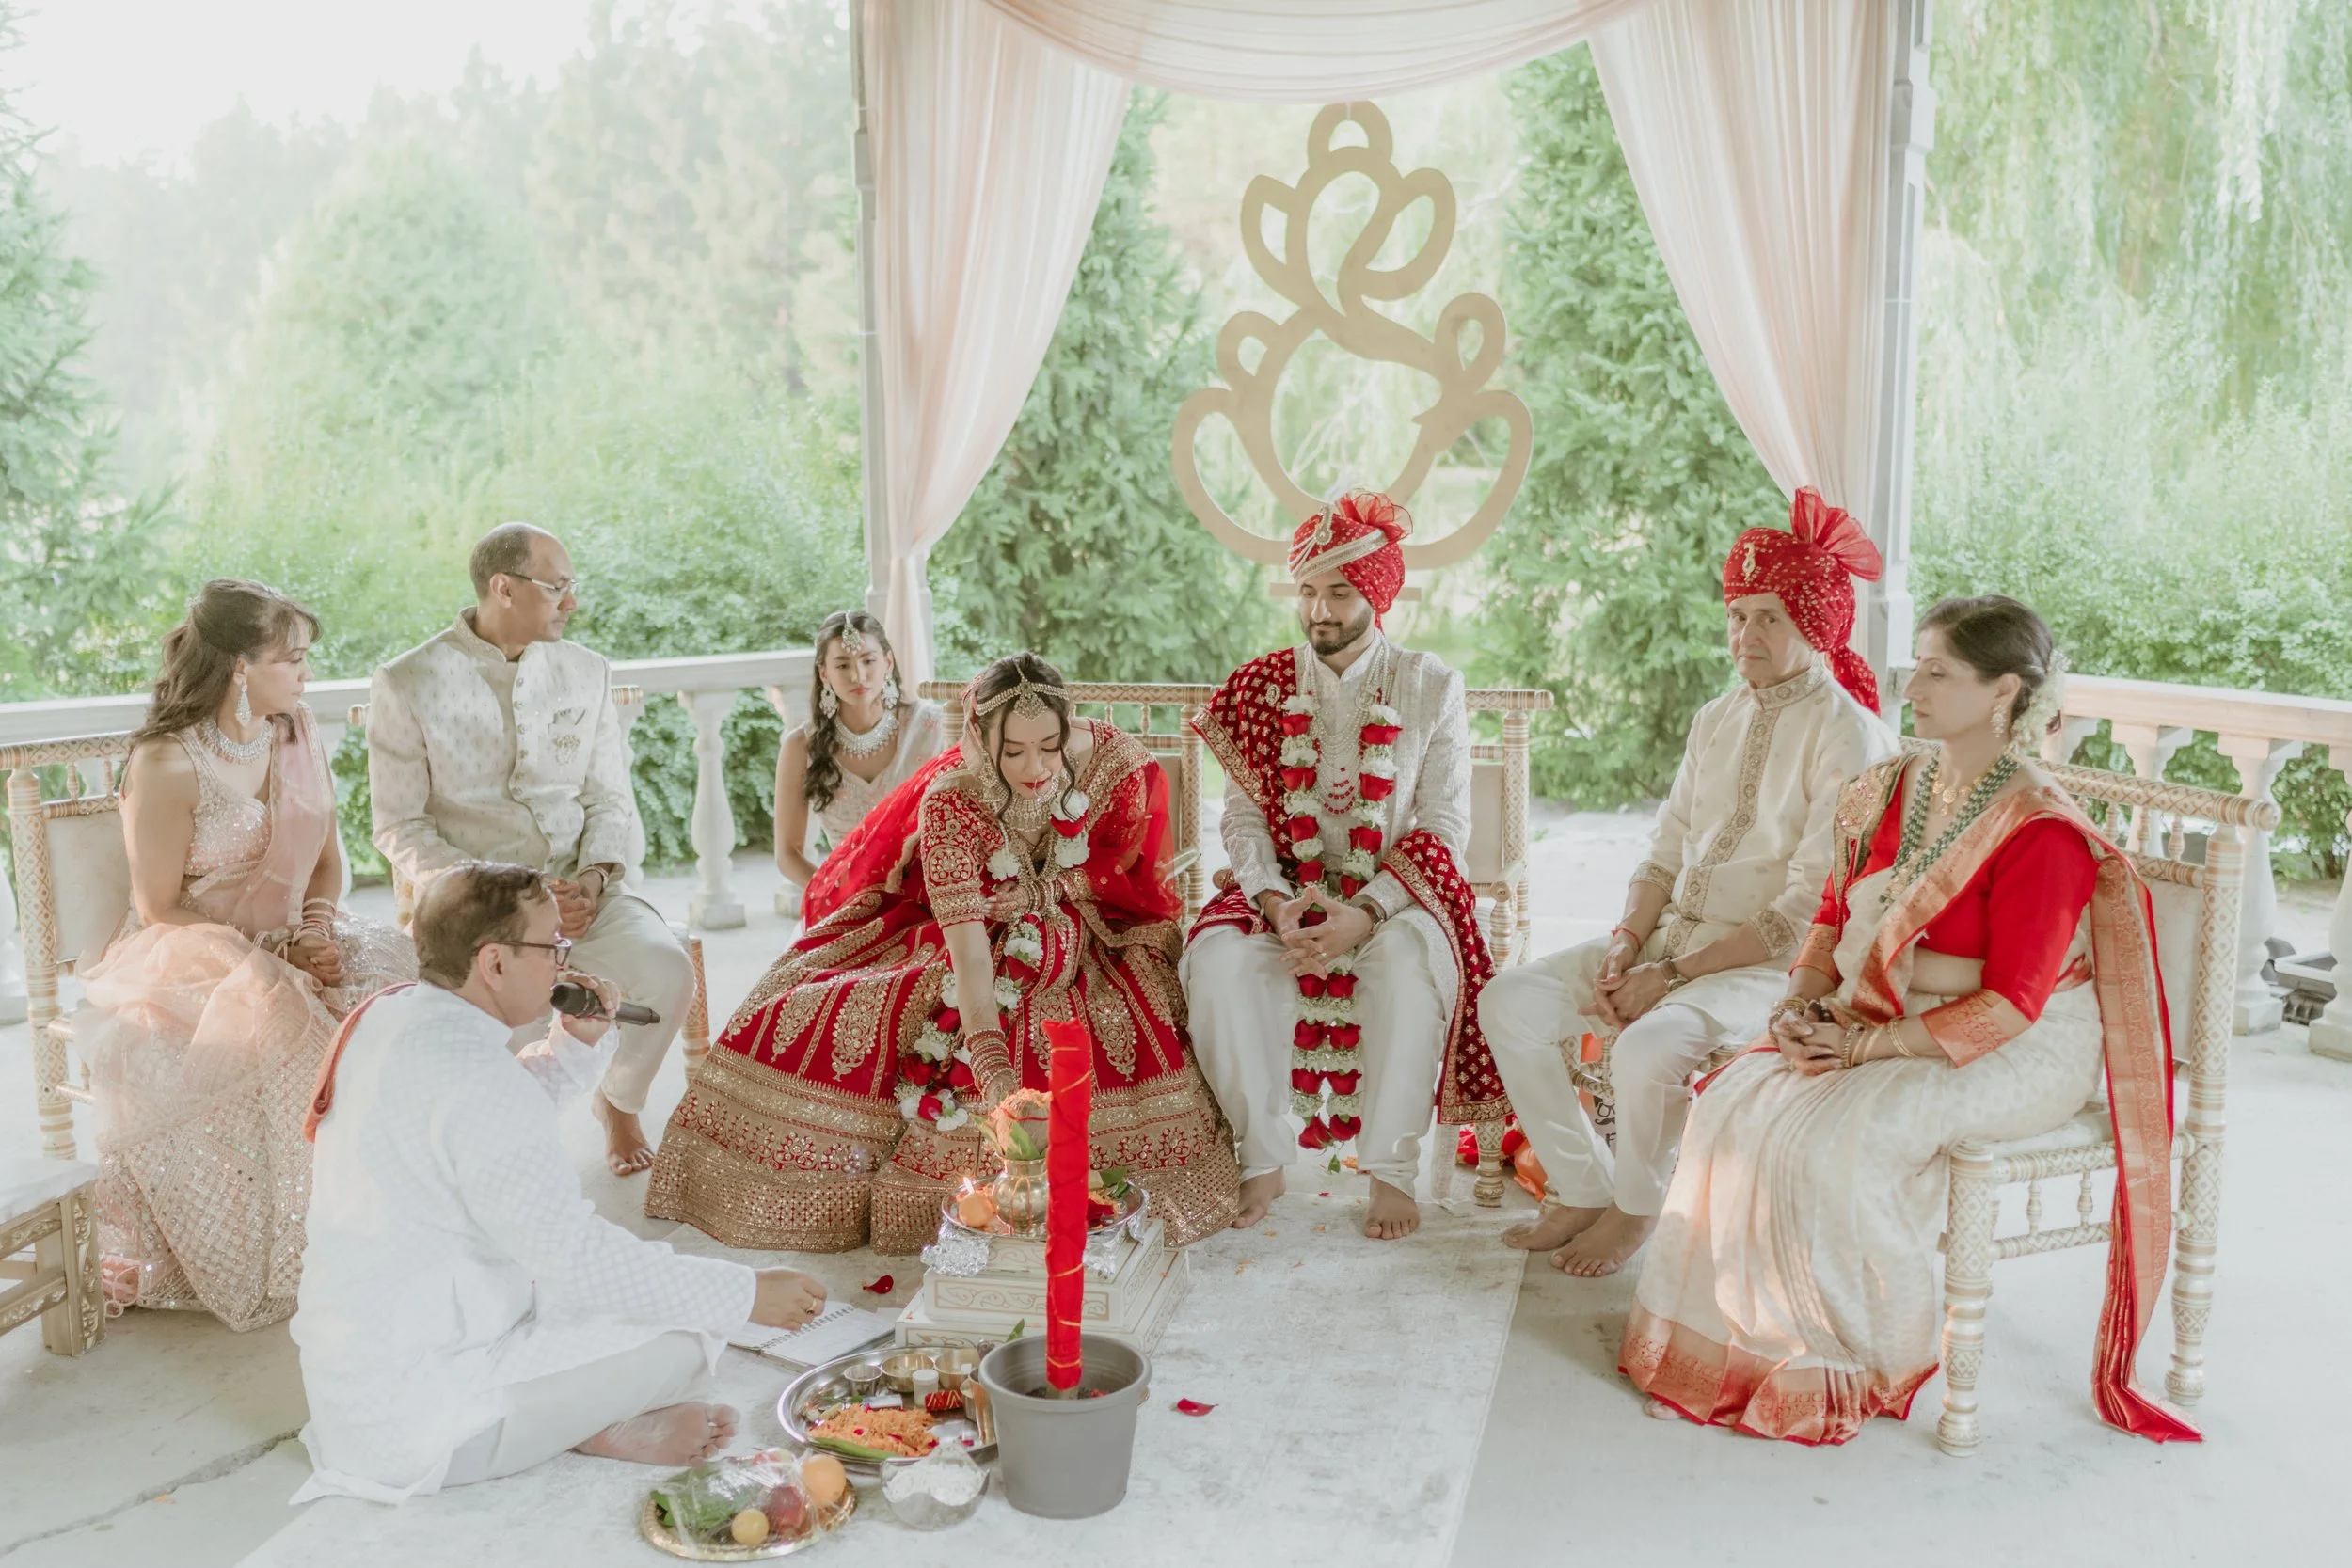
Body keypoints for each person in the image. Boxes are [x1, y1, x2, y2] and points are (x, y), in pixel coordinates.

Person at [1622, 596, 2197, 1448]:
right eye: (1917, 666)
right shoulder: (1894, 785)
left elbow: (2011, 1003)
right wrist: (1799, 1005)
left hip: (2019, 1043)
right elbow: (1830, 913)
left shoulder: (2040, 830)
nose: (1912, 686)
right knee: (1732, 1099)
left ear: (2004, 691)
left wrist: (1859, 1043)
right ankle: (1730, 1344)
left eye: (1937, 672)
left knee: (1840, 1139)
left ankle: (1864, 1353)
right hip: (1888, 1006)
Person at [647, 652, 1241, 1254]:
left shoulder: (1117, 763)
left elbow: (1124, 868)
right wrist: (995, 1071)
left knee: (1114, 1012)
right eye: (1014, 751)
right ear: (981, 739)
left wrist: (1046, 893)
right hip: (966, 927)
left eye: (1049, 746)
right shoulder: (953, 801)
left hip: (1093, 925)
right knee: (826, 1008)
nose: (1035, 768)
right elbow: (970, 958)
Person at [290, 863, 831, 1503]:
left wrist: (572, 1043)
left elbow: (485, 1134)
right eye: (551, 945)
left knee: (646, 1297)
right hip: (425, 1424)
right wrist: (744, 1293)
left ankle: (579, 1416)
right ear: (494, 962)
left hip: (354, 1387)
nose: (564, 961)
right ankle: (591, 1427)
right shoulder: (479, 1080)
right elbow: (579, 1260)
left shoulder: (389, 1014)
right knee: (689, 1336)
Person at [1478, 488, 1898, 1277]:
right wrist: (1627, 944)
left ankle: (1637, 1207)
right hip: (1667, 945)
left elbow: (1806, 911)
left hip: (1767, 969)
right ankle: (1583, 1183)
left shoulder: (1851, 737)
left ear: (1815, 623)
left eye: (1769, 617)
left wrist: (1665, 977)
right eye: (1737, 614)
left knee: (1648, 1046)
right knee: (1509, 1001)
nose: (1746, 635)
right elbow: (1665, 847)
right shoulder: (1717, 716)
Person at [78, 580, 414, 1331]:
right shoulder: (166, 762)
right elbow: (158, 905)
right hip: (197, 952)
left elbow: (326, 862)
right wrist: (269, 953)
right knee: (296, 1037)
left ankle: (396, 1220)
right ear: (238, 666)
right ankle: (296, 1247)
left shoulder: (295, 731)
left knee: (405, 1012)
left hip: (300, 933)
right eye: (291, 659)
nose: (305, 675)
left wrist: (314, 932)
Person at [1183, 492, 1502, 1242]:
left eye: (1338, 593)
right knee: (1221, 963)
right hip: (1283, 894)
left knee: (1407, 968)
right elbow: (1243, 819)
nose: (1318, 610)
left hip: (1392, 895)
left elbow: (1444, 826)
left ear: (1377, 596)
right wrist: (1274, 902)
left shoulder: (1430, 685)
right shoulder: (1259, 687)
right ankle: (1263, 1157)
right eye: (1307, 591)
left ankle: (1389, 1170)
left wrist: (1366, 912)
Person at [368, 521, 693, 1177]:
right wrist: (510, 899)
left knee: (667, 969)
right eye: (557, 587)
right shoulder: (408, 681)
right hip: (477, 909)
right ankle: (497, 1140)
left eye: (572, 586)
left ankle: (619, 1102)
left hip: (581, 889)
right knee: (487, 1017)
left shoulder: (587, 671)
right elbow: (398, 826)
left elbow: (609, 799)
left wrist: (593, 881)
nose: (572, 602)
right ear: (504, 587)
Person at [771, 610, 946, 915]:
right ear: (824, 673)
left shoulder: (930, 728)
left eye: (868, 661)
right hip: (845, 906)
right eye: (842, 665)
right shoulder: (801, 746)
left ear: (887, 662)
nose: (858, 676)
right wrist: (837, 899)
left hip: (928, 901)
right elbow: (788, 854)